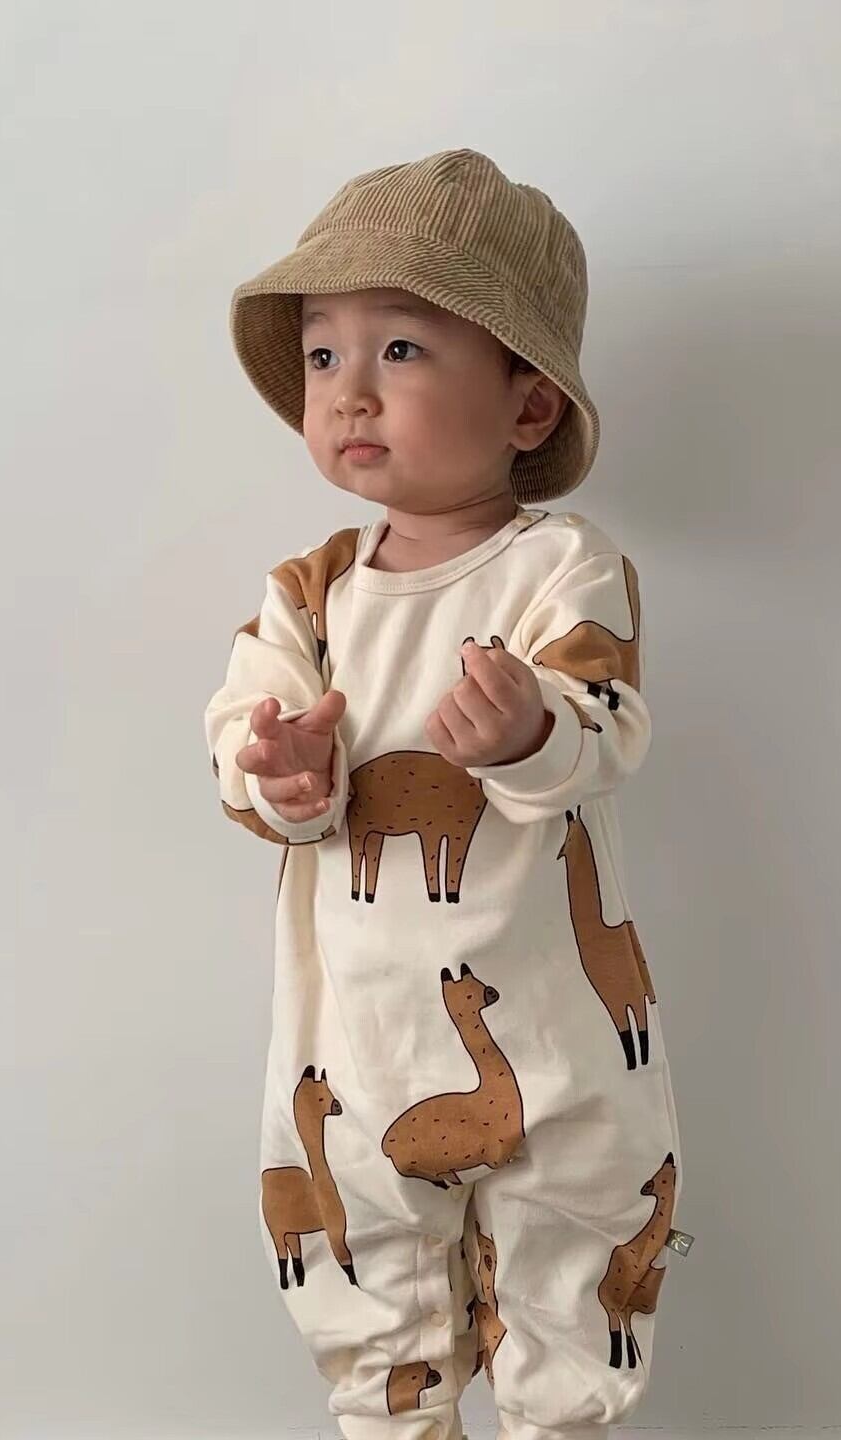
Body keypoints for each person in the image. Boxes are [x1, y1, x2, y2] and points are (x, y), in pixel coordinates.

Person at [203, 148, 691, 1440]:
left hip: (554, 1049)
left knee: (570, 1310)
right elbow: (241, 738)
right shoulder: (308, 596)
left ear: (528, 407)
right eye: (323, 355)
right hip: (356, 1053)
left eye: (402, 350)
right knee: (377, 1332)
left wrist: (533, 731)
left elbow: (607, 723)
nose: (348, 390)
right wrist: (281, 770)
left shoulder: (562, 570)